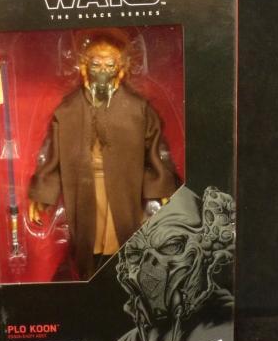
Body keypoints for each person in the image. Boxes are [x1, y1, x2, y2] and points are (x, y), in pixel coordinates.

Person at [28, 29, 177, 279]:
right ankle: (90, 279)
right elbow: (52, 154)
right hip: (85, 185)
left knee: (123, 234)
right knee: (89, 238)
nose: (103, 71)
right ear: (84, 68)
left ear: (121, 69)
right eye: (96, 64)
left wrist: (161, 188)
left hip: (125, 184)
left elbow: (155, 149)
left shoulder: (137, 108)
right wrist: (42, 193)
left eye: (110, 65)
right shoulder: (69, 109)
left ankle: (126, 277)